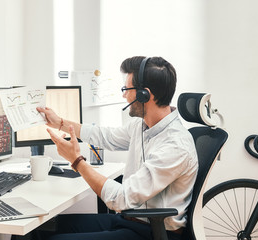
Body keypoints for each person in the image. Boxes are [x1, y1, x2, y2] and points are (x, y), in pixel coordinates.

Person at [34, 56, 198, 240]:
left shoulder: (175, 145)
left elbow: (121, 199)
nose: (123, 95)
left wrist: (77, 161)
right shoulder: (143, 126)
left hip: (153, 232)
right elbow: (107, 137)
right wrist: (61, 123)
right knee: (41, 229)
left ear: (145, 94)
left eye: (126, 89)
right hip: (129, 220)